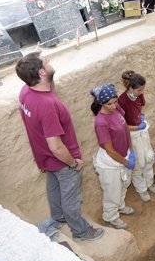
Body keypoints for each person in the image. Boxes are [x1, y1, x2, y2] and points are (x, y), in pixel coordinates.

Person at [15, 52, 105, 242]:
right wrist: (73, 163)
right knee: (71, 198)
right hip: (63, 161)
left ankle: (58, 219)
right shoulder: (47, 106)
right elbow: (56, 146)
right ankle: (81, 232)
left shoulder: (26, 92)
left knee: (54, 191)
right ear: (41, 72)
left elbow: (48, 91)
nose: (50, 62)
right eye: (47, 62)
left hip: (45, 159)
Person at [90, 83, 135, 230]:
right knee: (112, 192)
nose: (114, 106)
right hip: (110, 163)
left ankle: (120, 207)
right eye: (109, 104)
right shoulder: (101, 122)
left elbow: (125, 127)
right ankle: (111, 217)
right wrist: (126, 162)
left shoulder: (116, 110)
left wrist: (131, 150)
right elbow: (110, 151)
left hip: (123, 156)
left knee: (123, 185)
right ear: (101, 103)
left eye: (115, 101)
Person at [117, 71, 155, 203]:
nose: (141, 92)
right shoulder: (121, 101)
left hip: (142, 130)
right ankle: (142, 189)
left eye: (143, 89)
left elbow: (140, 107)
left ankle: (149, 183)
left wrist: (141, 117)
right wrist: (136, 127)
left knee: (148, 158)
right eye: (139, 90)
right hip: (132, 135)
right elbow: (122, 125)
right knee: (138, 164)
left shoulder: (139, 95)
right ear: (130, 88)